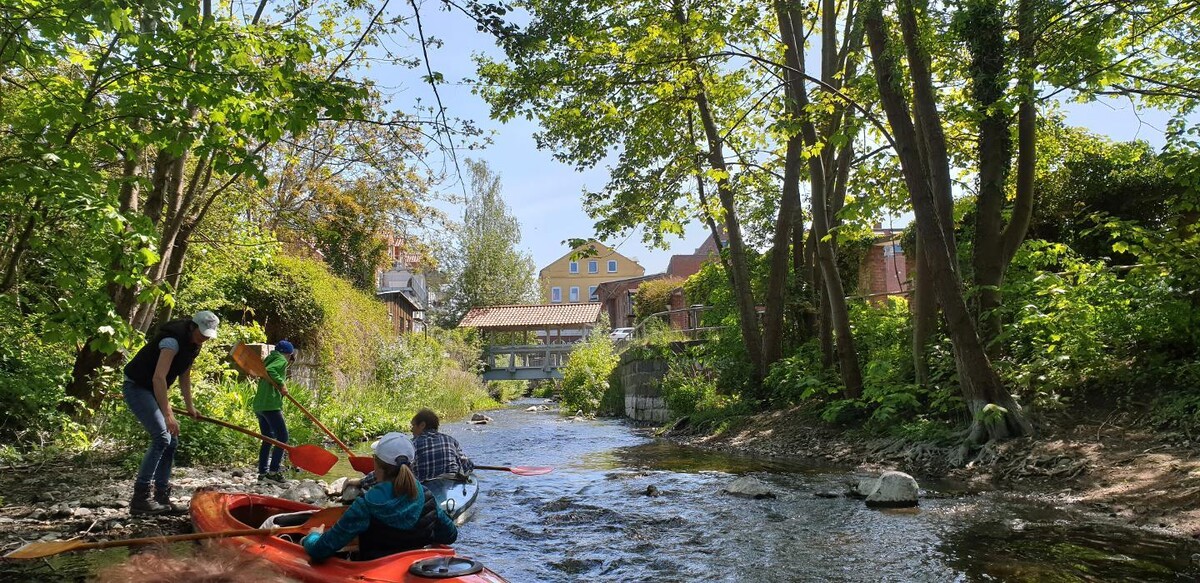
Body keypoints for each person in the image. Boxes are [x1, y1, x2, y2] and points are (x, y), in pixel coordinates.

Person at [302, 432, 457, 561]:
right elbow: (450, 535)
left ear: (375, 463)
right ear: (411, 465)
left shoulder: (365, 506)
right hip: (414, 568)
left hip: (373, 571)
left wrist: (313, 536)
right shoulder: (426, 495)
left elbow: (319, 550)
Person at [121, 310, 218, 515]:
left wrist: (190, 406)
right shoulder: (171, 342)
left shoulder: (194, 346)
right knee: (161, 438)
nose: (204, 339)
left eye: (208, 336)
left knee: (171, 441)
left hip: (153, 389)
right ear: (192, 326)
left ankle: (161, 497)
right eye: (202, 334)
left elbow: (184, 375)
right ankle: (140, 498)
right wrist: (168, 414)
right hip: (138, 387)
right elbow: (158, 378)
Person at [351, 408, 474, 492]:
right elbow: (467, 464)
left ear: (422, 425)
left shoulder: (411, 446)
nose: (411, 429)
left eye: (413, 425)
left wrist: (360, 482)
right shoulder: (450, 440)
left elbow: (391, 471)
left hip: (425, 490)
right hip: (451, 485)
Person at [253, 340, 295, 483]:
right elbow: (271, 371)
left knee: (268, 438)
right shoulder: (280, 360)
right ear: (287, 354)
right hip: (270, 405)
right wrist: (282, 384)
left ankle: (263, 473)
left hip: (259, 405)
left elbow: (267, 370)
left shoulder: (267, 360)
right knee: (282, 438)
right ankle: (273, 472)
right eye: (290, 357)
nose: (289, 360)